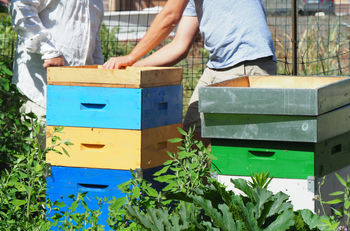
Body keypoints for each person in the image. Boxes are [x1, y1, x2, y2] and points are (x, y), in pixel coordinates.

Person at [103, 0, 276, 143]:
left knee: (236, 147)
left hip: (248, 63)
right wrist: (133, 69)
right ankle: (197, 185)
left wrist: (131, 56)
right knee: (191, 139)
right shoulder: (195, 3)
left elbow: (170, 16)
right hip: (218, 65)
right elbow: (179, 45)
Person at [10, 0, 104, 123]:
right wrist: (48, 50)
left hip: (80, 97)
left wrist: (100, 73)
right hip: (41, 92)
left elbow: (93, 39)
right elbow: (21, 6)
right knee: (40, 139)